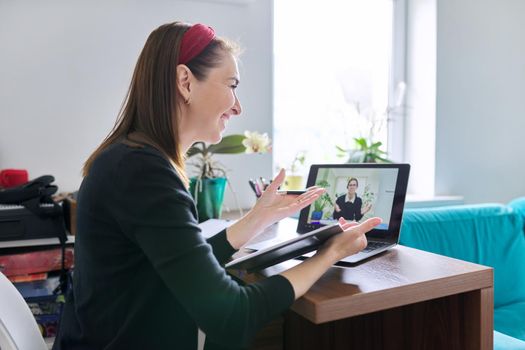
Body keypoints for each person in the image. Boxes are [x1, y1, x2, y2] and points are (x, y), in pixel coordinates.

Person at [53, 22, 381, 350]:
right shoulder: (142, 172)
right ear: (185, 82)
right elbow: (232, 314)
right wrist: (330, 253)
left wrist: (256, 220)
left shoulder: (130, 158)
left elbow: (180, 263)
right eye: (232, 84)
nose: (238, 107)